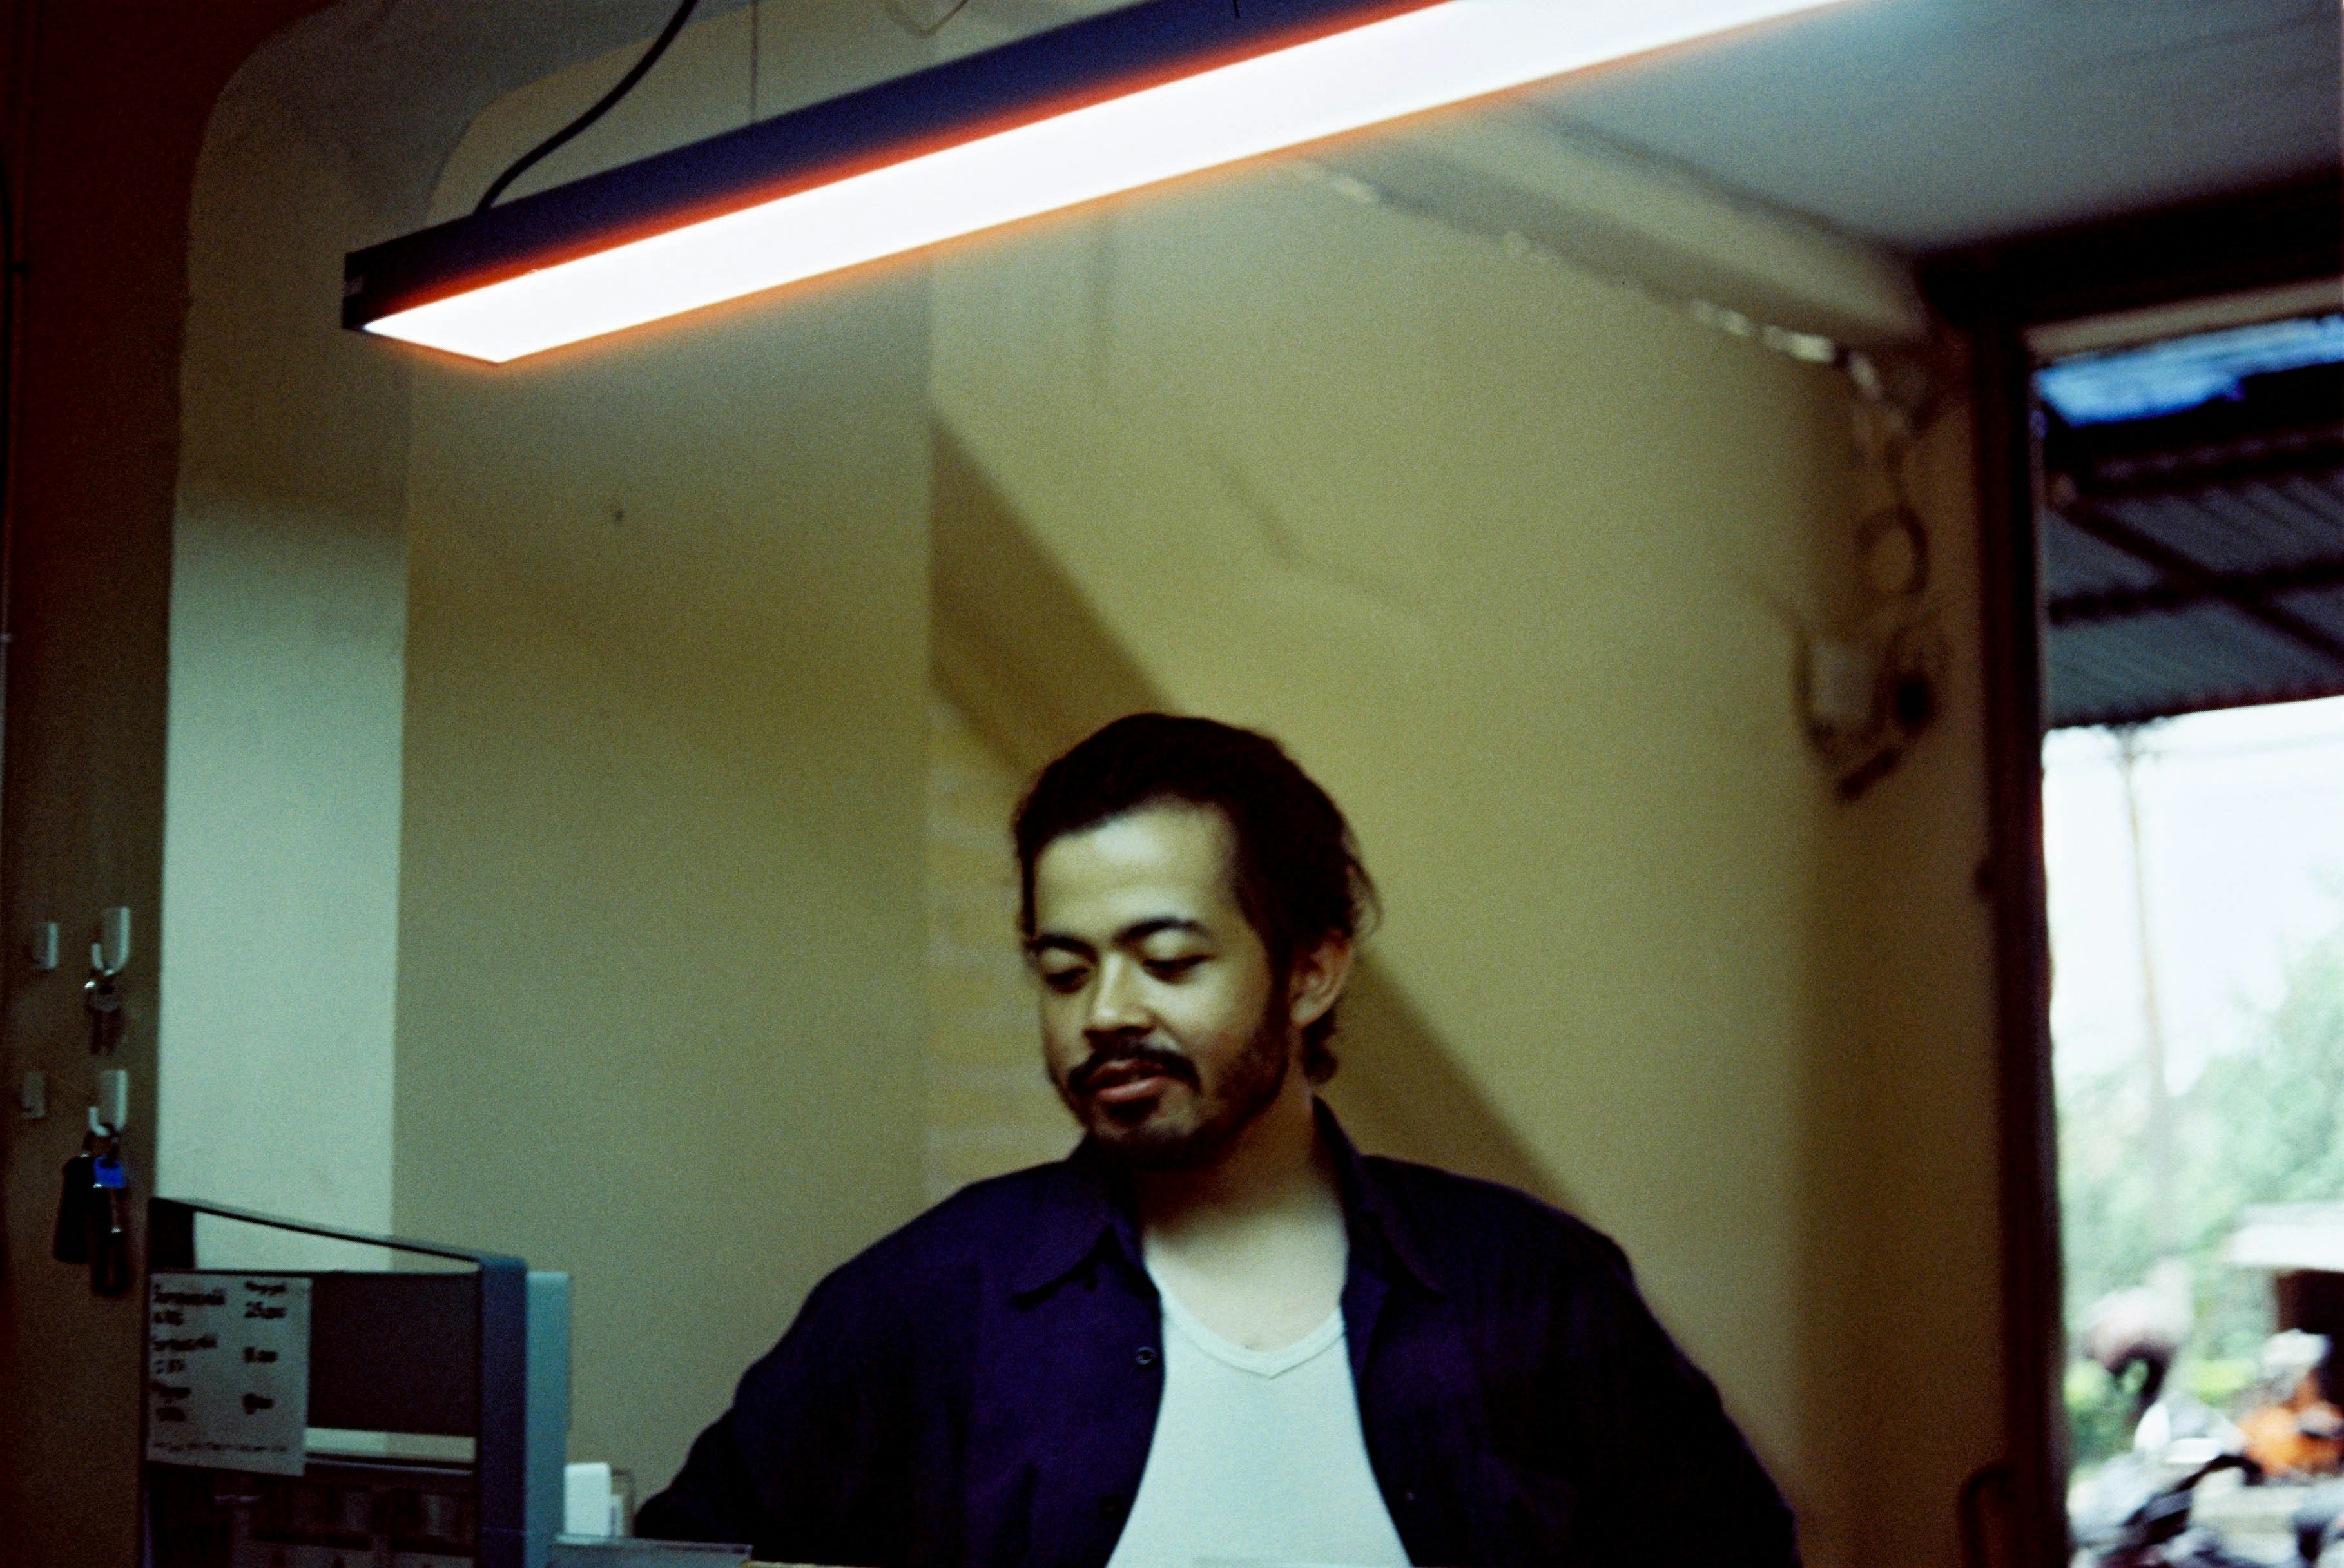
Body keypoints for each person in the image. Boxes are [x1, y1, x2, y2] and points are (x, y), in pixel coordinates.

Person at [635, 713, 1798, 1566]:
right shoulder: (925, 1303)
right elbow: (683, 1556)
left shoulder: (1533, 1292)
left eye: (1171, 959)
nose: (1105, 1013)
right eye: (1063, 966)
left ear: (1310, 968)